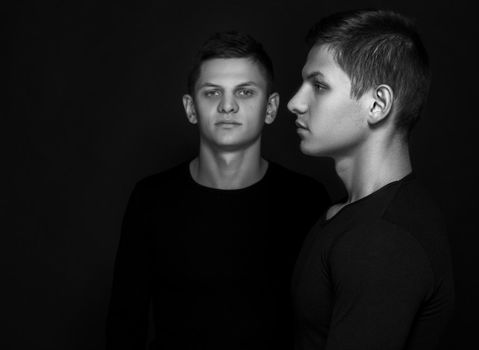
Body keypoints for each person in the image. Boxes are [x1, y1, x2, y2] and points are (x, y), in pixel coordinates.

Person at [105, 31, 330, 350]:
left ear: (271, 107)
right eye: (212, 93)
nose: (228, 106)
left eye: (245, 92)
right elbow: (124, 324)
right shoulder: (151, 199)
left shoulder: (306, 200)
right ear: (191, 107)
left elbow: (322, 324)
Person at [287, 9, 455, 350]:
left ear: (378, 104)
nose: (294, 102)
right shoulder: (351, 214)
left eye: (318, 85)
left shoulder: (382, 241)